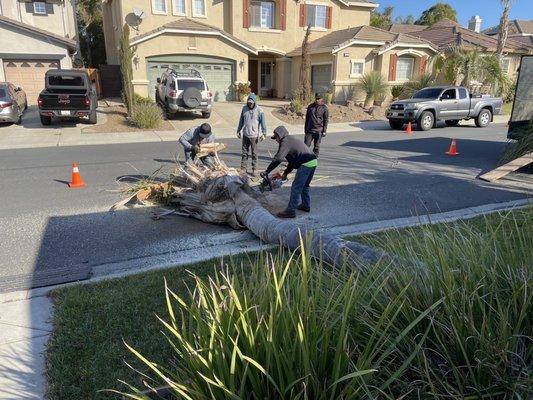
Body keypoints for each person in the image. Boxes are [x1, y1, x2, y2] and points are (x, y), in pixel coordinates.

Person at [262, 126, 318, 219]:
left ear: (279, 136)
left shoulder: (285, 142)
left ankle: (290, 211)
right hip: (313, 162)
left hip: (306, 164)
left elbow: (278, 158)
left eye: (275, 137)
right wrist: (285, 174)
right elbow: (292, 162)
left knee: (296, 187)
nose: (276, 140)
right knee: (305, 186)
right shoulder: (291, 140)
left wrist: (267, 171)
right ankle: (305, 205)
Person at [236, 93, 267, 176]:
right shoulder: (244, 109)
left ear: (254, 102)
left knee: (254, 153)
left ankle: (255, 169)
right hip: (245, 134)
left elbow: (263, 123)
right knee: (244, 153)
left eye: (251, 103)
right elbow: (241, 121)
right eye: (249, 103)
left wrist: (264, 133)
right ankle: (243, 168)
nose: (250, 104)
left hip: (254, 136)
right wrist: (238, 130)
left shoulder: (260, 111)